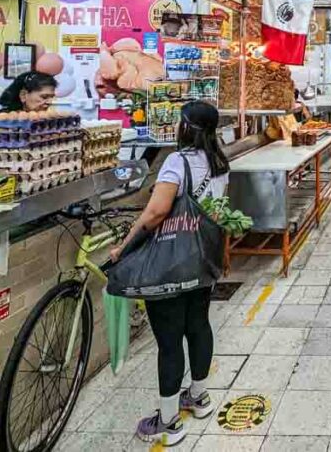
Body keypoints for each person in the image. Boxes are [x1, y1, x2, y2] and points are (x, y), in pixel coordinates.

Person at [109, 101, 230, 447]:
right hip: (202, 257)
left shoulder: (176, 162)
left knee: (169, 340)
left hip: (170, 262)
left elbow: (155, 213)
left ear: (187, 128)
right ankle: (199, 397)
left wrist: (125, 246)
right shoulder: (220, 163)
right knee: (199, 326)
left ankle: (168, 420)